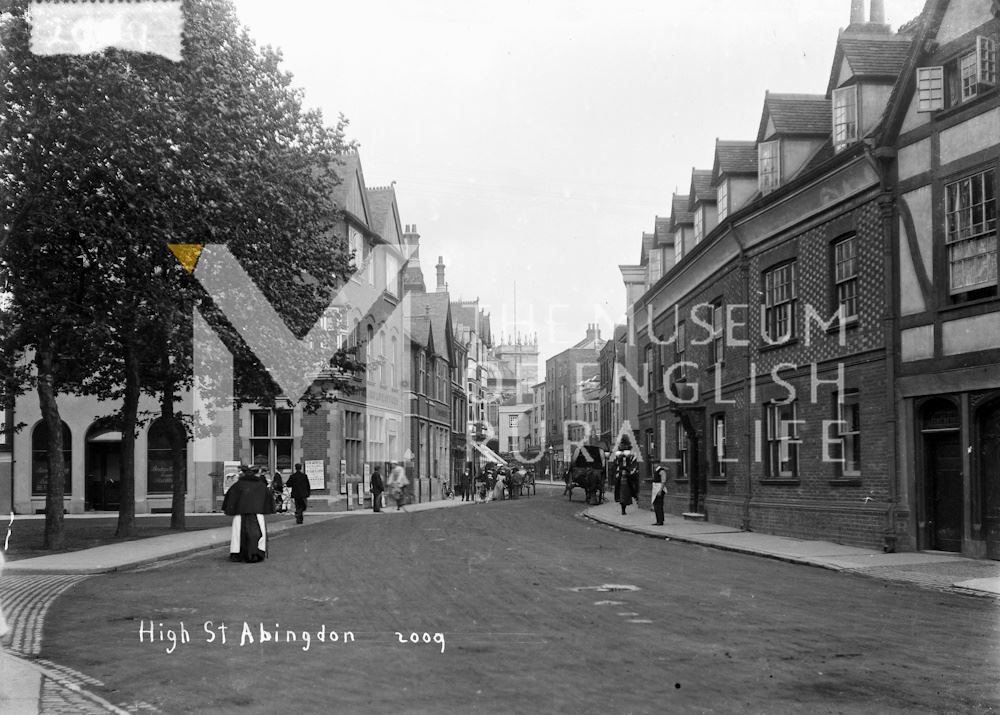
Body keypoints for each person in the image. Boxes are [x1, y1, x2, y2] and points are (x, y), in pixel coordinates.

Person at [223, 465, 275, 563]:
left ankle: (239, 554)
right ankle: (256, 553)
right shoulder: (261, 486)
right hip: (257, 513)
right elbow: (267, 499)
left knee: (238, 534)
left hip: (240, 513)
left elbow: (231, 498)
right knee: (257, 533)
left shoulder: (238, 485)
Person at [614, 445, 639, 516]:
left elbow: (632, 471)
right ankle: (623, 510)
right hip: (622, 486)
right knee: (622, 499)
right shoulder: (620, 459)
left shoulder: (630, 458)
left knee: (626, 497)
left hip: (627, 486)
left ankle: (635, 496)